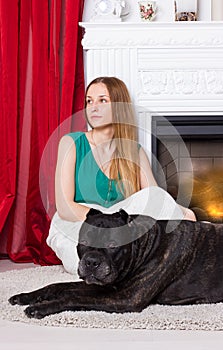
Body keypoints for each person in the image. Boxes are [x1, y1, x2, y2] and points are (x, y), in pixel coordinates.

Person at [47, 76, 196, 274]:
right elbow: (65, 208)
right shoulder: (72, 143)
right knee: (82, 264)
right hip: (77, 224)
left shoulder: (135, 151)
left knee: (164, 205)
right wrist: (108, 223)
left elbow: (154, 197)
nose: (93, 107)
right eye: (89, 101)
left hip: (116, 230)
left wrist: (184, 213)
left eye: (102, 100)